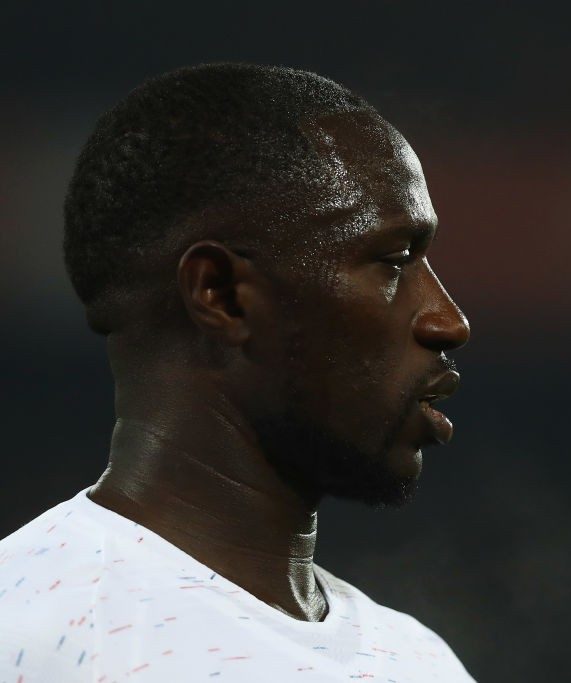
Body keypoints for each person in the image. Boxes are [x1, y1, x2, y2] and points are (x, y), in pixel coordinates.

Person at [0, 63, 474, 682]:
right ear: (221, 294)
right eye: (393, 260)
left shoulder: (421, 662)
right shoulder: (31, 636)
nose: (448, 321)